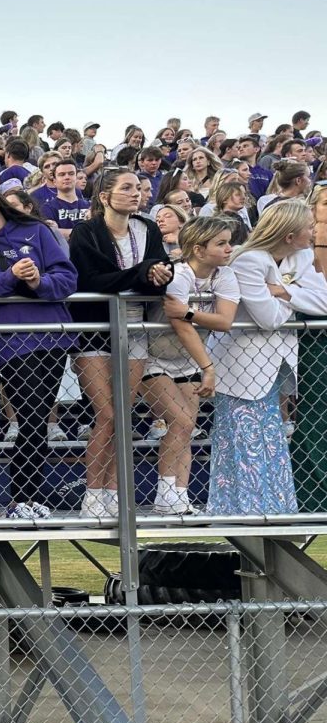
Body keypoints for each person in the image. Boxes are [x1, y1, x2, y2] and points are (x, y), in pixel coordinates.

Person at [0, 184, 78, 518]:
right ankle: (21, 497)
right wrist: (11, 276)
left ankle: (30, 498)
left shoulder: (35, 229)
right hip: (10, 343)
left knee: (38, 421)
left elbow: (68, 279)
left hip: (51, 336)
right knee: (30, 417)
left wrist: (39, 281)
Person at [209, 201, 326, 514]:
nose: (314, 230)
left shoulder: (301, 256)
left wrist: (283, 291)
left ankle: (274, 508)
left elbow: (325, 301)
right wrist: (295, 297)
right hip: (241, 365)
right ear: (288, 235)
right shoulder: (248, 260)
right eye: (308, 226)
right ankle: (244, 509)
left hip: (277, 364)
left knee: (270, 438)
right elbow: (268, 318)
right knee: (242, 440)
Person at [68, 169, 173, 518]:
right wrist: (143, 273)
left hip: (136, 328)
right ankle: (92, 496)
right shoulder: (86, 232)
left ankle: (114, 492)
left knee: (123, 418)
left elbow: (159, 271)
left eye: (138, 188)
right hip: (94, 330)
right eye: (126, 188)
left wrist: (157, 274)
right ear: (104, 196)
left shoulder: (148, 228)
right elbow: (93, 278)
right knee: (107, 415)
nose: (136, 194)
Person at [143, 216, 240, 514]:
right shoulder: (180, 274)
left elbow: (224, 321)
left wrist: (188, 313)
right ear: (198, 249)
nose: (228, 248)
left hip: (186, 361)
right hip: (152, 356)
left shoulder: (223, 275)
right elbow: (179, 325)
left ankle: (179, 496)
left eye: (228, 242)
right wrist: (208, 367)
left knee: (187, 428)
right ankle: (166, 492)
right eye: (220, 243)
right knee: (181, 421)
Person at [292, 185, 327, 507]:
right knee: (315, 413)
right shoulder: (298, 255)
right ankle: (312, 493)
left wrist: (287, 294)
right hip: (314, 347)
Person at [39, 159, 89, 238]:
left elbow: (97, 232)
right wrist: (85, 232)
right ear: (54, 181)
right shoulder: (47, 208)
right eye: (62, 174)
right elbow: (51, 234)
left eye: (71, 174)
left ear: (76, 178)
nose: (67, 177)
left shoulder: (90, 206)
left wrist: (60, 231)